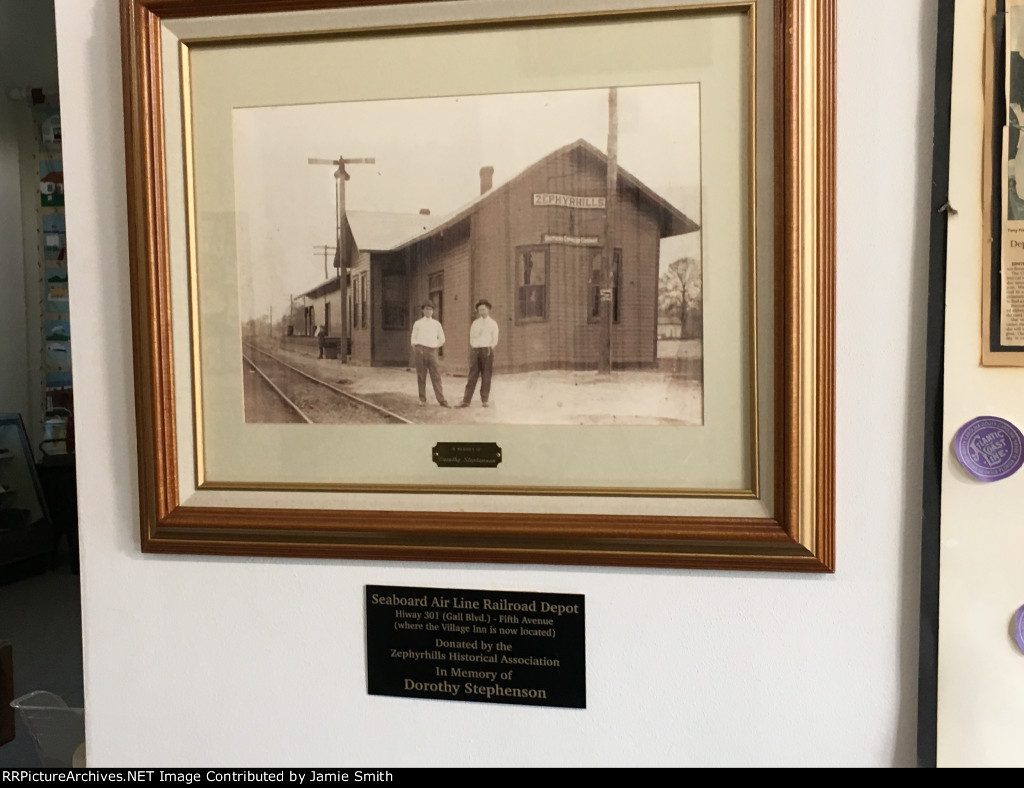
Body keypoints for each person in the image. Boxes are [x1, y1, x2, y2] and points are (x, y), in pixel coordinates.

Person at [458, 299, 499, 408]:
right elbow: (471, 338)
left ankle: (485, 400)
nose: (482, 312)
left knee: (486, 376)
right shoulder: (475, 323)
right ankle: (466, 400)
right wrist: (475, 348)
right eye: (480, 310)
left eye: (484, 309)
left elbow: (495, 339)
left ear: (488, 309)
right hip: (476, 351)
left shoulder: (493, 324)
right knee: (472, 375)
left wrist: (489, 348)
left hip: (487, 351)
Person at [410, 302, 450, 407]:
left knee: (436, 375)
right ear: (422, 310)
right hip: (420, 351)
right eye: (426, 309)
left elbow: (442, 338)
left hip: (432, 351)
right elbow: (413, 339)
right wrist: (418, 348)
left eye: (430, 309)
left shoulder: (436, 324)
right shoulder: (418, 323)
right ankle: (422, 399)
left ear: (433, 311)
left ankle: (441, 400)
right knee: (421, 375)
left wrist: (434, 346)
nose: (428, 311)